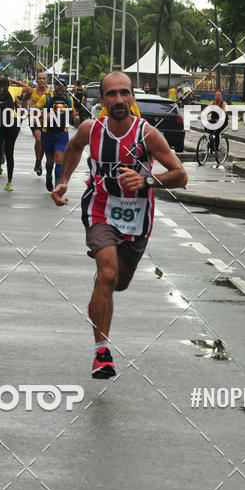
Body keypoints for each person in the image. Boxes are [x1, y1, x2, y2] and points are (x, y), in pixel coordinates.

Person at [50, 71, 188, 378]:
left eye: (124, 93)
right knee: (108, 274)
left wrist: (147, 180)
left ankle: (101, 293)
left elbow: (180, 174)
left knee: (118, 283)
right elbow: (73, 147)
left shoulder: (148, 134)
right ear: (101, 101)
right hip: (100, 210)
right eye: (111, 94)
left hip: (137, 219)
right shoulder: (91, 129)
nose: (118, 99)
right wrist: (63, 181)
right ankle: (102, 353)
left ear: (132, 98)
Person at [0, 75, 31, 191]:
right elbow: (28, 88)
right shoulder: (12, 90)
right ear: (7, 83)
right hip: (12, 123)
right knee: (10, 152)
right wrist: (13, 80)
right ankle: (9, 183)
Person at [34, 77, 79, 191]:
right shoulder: (47, 98)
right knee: (50, 161)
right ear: (54, 86)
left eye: (62, 85)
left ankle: (57, 187)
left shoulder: (69, 99)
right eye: (57, 85)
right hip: (47, 133)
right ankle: (49, 175)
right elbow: (34, 111)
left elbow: (72, 112)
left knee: (59, 158)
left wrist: (75, 118)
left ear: (65, 87)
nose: (59, 87)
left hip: (62, 134)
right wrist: (44, 115)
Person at [28, 72, 51, 175]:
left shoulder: (50, 93)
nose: (41, 80)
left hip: (47, 121)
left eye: (43, 79)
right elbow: (24, 100)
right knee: (39, 139)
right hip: (34, 120)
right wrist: (27, 109)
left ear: (46, 81)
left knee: (43, 142)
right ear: (36, 80)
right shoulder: (31, 91)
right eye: (39, 79)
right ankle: (38, 161)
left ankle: (39, 162)